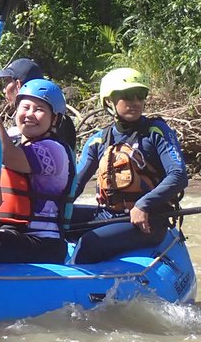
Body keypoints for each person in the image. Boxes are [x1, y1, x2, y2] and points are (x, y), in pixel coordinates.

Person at [70, 68, 188, 264]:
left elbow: (178, 175)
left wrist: (144, 204)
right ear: (108, 101)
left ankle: (73, 287)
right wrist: (53, 211)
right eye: (126, 96)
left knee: (90, 243)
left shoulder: (156, 132)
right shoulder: (98, 140)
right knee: (54, 221)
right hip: (110, 214)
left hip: (150, 219)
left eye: (140, 95)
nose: (135, 102)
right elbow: (76, 184)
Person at [0, 77, 75, 263]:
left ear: (55, 118)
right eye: (25, 107)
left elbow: (7, 155)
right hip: (12, 232)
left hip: (42, 243)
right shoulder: (17, 141)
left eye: (39, 109)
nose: (30, 114)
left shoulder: (54, 151)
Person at [0, 57, 77, 150]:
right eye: (26, 108)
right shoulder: (59, 121)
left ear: (18, 85)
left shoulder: (54, 143)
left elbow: (6, 153)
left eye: (6, 82)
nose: (4, 90)